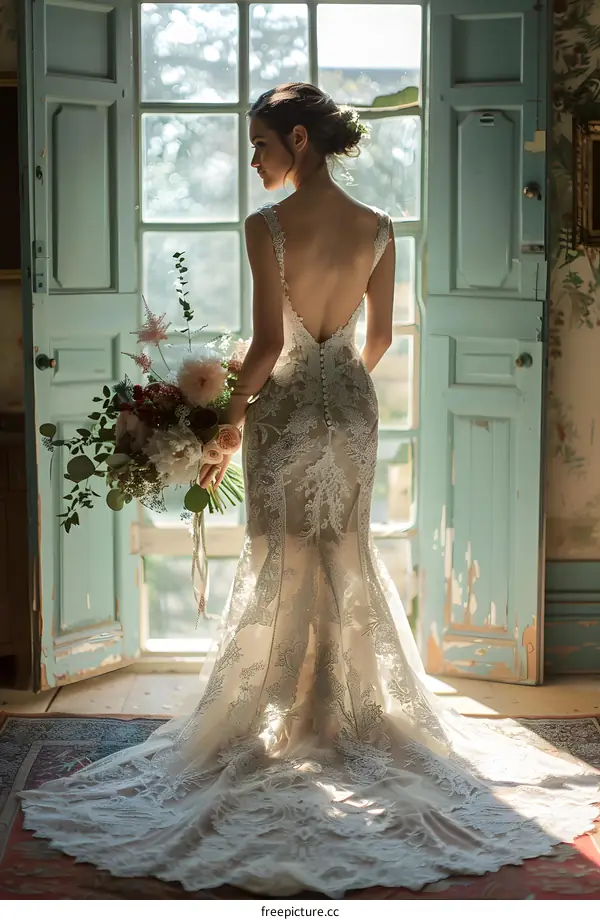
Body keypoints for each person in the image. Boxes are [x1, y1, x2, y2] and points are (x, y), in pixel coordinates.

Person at [21, 83, 599, 898]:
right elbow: (383, 337)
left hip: (286, 405)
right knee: (341, 551)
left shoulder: (267, 228)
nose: (252, 160)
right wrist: (338, 389)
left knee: (280, 555)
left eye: (259, 144)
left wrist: (227, 422)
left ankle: (291, 715)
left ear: (298, 139)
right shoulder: (378, 227)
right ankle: (331, 713)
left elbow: (262, 345)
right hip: (350, 408)